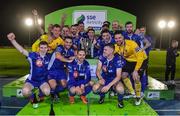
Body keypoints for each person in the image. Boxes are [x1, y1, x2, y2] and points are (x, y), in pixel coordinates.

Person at [7, 33, 51, 108]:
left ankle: (40, 93)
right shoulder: (33, 56)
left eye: (45, 48)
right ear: (39, 48)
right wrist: (13, 40)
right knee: (25, 92)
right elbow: (22, 50)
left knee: (47, 92)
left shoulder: (49, 57)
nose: (43, 49)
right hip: (32, 80)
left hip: (42, 81)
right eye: (42, 47)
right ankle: (33, 96)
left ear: (47, 48)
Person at [114, 31, 147, 106]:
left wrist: (135, 70)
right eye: (116, 38)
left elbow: (140, 57)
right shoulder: (116, 46)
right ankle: (133, 93)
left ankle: (138, 96)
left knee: (136, 77)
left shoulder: (132, 44)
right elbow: (110, 53)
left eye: (119, 38)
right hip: (130, 61)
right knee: (123, 75)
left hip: (141, 60)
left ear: (123, 37)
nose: (118, 39)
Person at [92, 43, 125, 108]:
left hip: (114, 79)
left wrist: (108, 86)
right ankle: (102, 96)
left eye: (105, 50)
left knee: (120, 89)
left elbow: (118, 76)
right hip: (104, 78)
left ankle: (120, 100)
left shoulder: (118, 59)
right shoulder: (102, 57)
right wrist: (100, 78)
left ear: (112, 50)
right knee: (94, 89)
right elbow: (98, 70)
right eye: (104, 49)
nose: (104, 51)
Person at [47, 37, 75, 102]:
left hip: (61, 70)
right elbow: (58, 56)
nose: (68, 44)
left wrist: (74, 57)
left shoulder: (71, 51)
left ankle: (55, 92)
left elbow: (73, 57)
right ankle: (49, 91)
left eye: (70, 42)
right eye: (67, 42)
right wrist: (68, 60)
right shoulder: (59, 47)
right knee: (53, 85)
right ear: (64, 42)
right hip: (51, 70)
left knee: (64, 85)